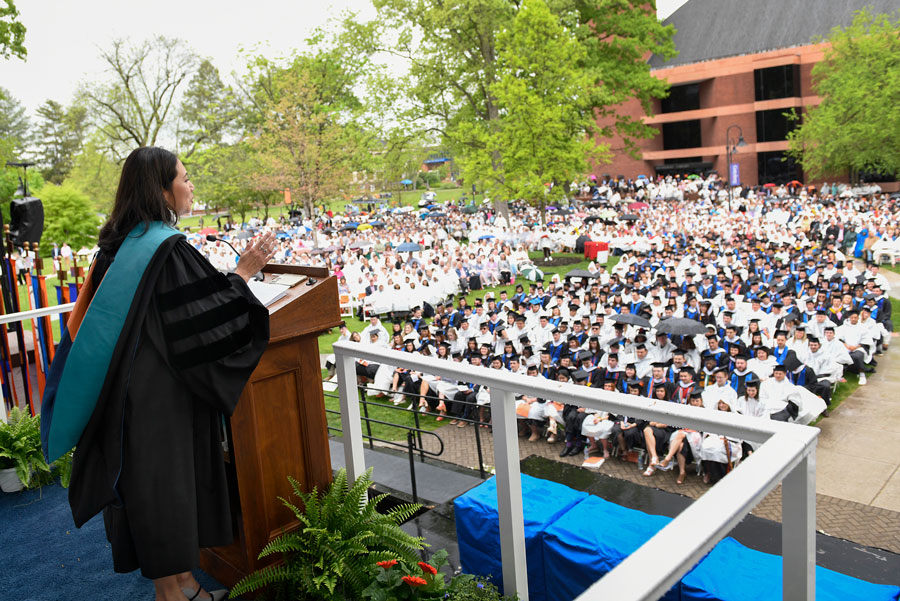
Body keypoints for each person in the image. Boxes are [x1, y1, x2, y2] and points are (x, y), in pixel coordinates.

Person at [42, 147, 274, 601]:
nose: (190, 187)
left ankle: (184, 583)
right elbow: (209, 316)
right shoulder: (165, 249)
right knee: (163, 487)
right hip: (156, 400)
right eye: (184, 178)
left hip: (124, 393)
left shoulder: (118, 246)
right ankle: (171, 593)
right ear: (162, 189)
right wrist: (244, 273)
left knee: (152, 485)